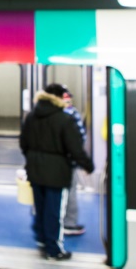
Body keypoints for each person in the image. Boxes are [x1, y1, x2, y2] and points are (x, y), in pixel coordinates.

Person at [20, 84, 94, 261]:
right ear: (59, 98)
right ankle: (54, 250)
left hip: (35, 170)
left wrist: (33, 159)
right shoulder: (64, 119)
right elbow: (75, 148)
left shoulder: (31, 117)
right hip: (57, 173)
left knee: (40, 207)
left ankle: (42, 240)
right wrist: (88, 165)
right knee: (55, 212)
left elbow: (24, 144)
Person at [44, 83, 87, 236]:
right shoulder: (70, 115)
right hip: (64, 162)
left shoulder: (47, 115)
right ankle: (68, 223)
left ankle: (49, 223)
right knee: (68, 192)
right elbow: (78, 141)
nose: (68, 102)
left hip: (51, 162)